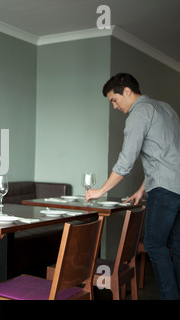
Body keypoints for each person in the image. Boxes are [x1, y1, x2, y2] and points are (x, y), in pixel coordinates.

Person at [85, 73, 180, 300]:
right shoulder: (165, 108)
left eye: (114, 100)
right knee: (176, 247)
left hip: (165, 191)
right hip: (176, 186)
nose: (115, 106)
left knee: (154, 244)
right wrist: (141, 189)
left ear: (126, 91)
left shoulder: (139, 114)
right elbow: (167, 156)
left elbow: (125, 162)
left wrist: (101, 191)